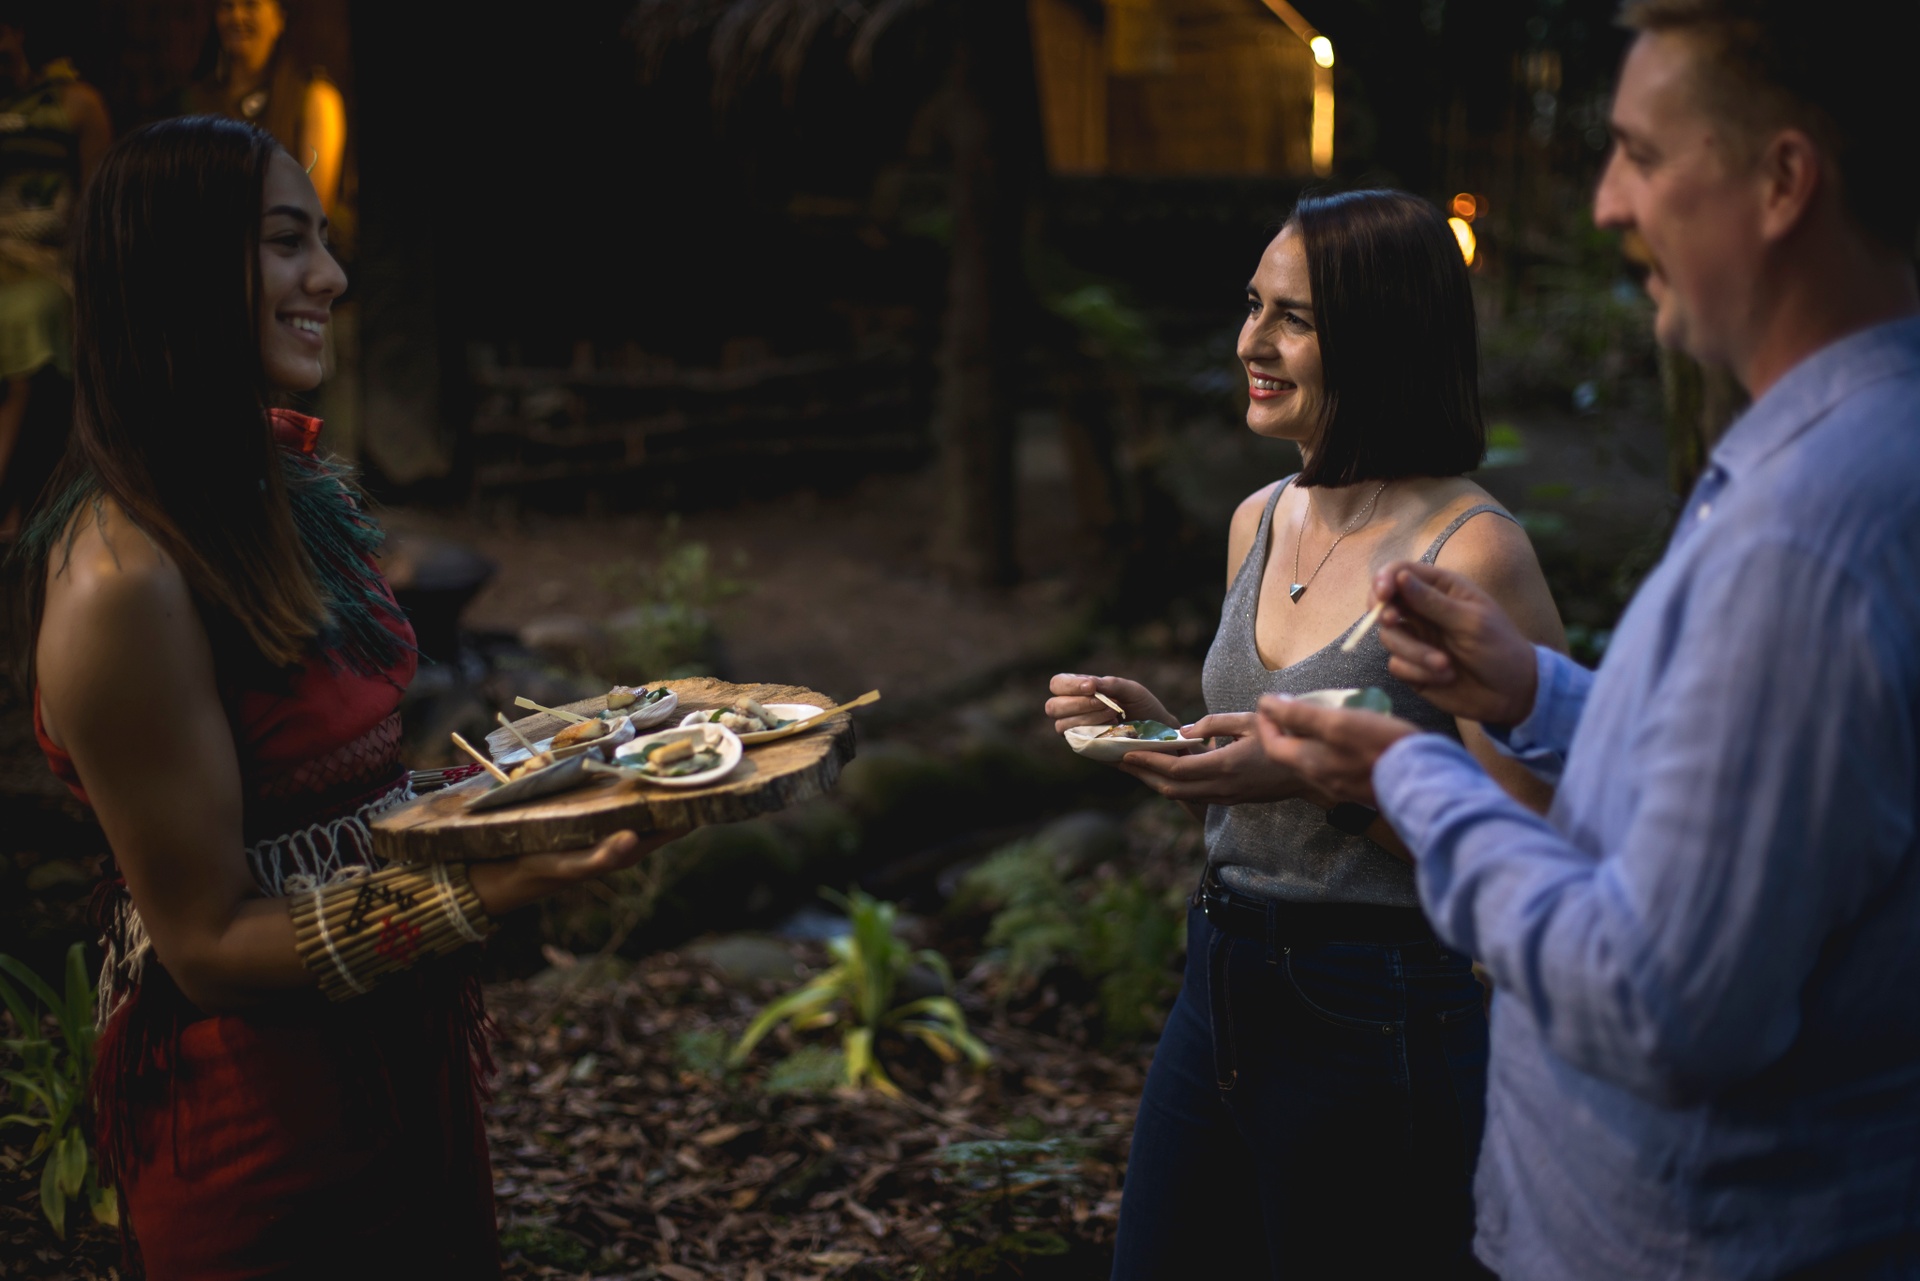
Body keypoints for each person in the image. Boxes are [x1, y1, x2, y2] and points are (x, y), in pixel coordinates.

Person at [1255, 2, 1920, 1277]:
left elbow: (1660, 1002)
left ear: (1783, 182)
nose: (1609, 202)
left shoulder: (1810, 536)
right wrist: (1541, 698)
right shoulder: (1843, 456)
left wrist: (1414, 779)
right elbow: (1755, 810)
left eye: (1642, 154)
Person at [20, 117, 656, 1276]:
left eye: (320, 240)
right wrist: (485, 890)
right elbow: (207, 943)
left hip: (393, 1039)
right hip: (261, 1112)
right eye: (284, 243)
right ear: (175, 269)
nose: (331, 277)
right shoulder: (124, 582)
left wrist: (552, 783)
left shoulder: (273, 490)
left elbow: (348, 788)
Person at [1044, 189, 1564, 1278]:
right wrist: (1165, 732)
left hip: (1381, 1003)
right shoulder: (1258, 515)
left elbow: (1536, 855)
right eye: (1252, 306)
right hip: (1221, 971)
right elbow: (1266, 739)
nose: (1251, 343)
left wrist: (1322, 781)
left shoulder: (1473, 555)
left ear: (1381, 336)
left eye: (1295, 319)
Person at [0, 6, 109, 535]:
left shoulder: (73, 103)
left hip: (48, 264)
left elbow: (96, 203)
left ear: (15, 33)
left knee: (29, 313)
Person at [181, 0, 345, 216]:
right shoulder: (196, 100)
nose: (237, 17)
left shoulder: (315, 97)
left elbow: (314, 207)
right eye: (227, 6)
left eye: (250, 5)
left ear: (279, 19)